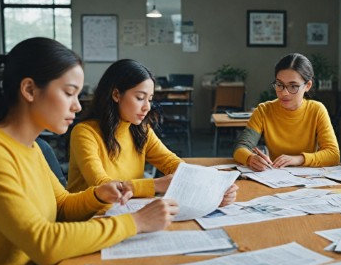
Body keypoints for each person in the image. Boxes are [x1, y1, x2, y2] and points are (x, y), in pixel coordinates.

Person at [0, 38, 179, 265]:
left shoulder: (32, 147)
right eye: (69, 93)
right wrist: (136, 222)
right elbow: (43, 243)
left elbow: (61, 206)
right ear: (29, 89)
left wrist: (97, 195)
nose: (76, 106)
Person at [67, 59, 238, 203]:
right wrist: (156, 185)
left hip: (126, 210)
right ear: (116, 95)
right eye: (140, 98)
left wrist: (211, 189)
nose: (147, 107)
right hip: (90, 220)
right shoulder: (85, 133)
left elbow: (171, 163)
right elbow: (103, 186)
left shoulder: (140, 129)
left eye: (149, 99)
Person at [234, 53, 340, 170]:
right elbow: (241, 147)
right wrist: (250, 158)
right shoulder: (263, 110)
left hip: (309, 178)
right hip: (274, 176)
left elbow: (333, 154)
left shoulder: (317, 110)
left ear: (307, 85)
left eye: (293, 86)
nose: (284, 93)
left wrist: (298, 159)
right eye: (279, 85)